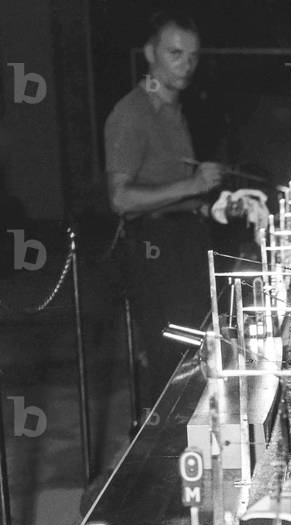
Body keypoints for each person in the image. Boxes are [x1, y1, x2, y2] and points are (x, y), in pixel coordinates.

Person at [104, 10, 223, 411]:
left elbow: (169, 187)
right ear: (150, 52)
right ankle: (168, 464)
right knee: (171, 364)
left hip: (184, 243)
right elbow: (120, 199)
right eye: (175, 53)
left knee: (196, 356)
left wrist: (206, 205)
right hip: (156, 251)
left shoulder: (173, 110)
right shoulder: (132, 113)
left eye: (192, 56)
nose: (186, 65)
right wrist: (193, 186)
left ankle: (196, 448)